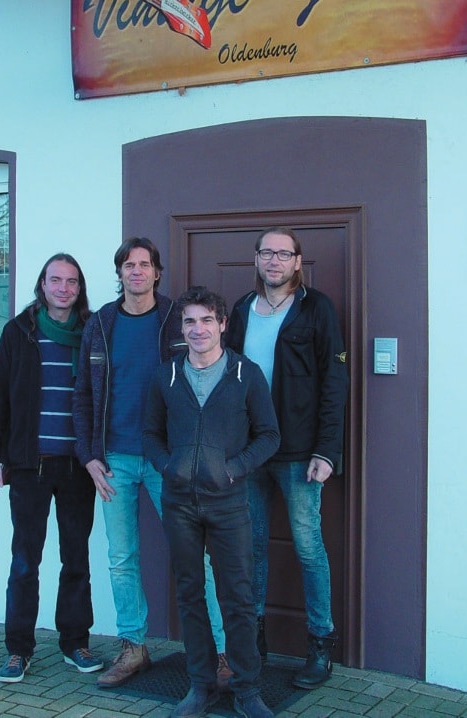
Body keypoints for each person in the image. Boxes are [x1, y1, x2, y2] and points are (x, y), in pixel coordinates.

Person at [73, 237, 232, 690]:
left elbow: (205, 378)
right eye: (128, 265)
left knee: (193, 557)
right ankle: (133, 647)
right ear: (119, 273)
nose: (136, 272)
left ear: (157, 273)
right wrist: (88, 456)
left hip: (169, 461)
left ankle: (219, 652)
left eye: (144, 264)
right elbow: (82, 393)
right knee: (121, 557)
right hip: (115, 460)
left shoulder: (175, 319)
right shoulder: (101, 323)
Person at [144, 286, 280, 718]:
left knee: (237, 599)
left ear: (223, 324)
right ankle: (200, 687)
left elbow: (269, 436)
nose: (198, 329)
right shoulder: (165, 376)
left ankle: (247, 691)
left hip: (229, 503)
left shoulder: (246, 375)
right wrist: (169, 467)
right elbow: (149, 434)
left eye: (207, 320)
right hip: (179, 504)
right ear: (181, 328)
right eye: (190, 321)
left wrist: (232, 469)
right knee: (189, 595)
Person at [226, 227, 349, 690]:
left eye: (283, 253)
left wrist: (327, 450)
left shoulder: (317, 309)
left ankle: (320, 645)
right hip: (249, 450)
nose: (274, 261)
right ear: (255, 259)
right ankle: (252, 642)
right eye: (266, 253)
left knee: (307, 547)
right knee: (251, 548)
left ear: (298, 261)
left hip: (300, 453)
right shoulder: (240, 309)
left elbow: (335, 383)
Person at [0, 254, 103, 684]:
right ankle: (18, 650)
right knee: (24, 561)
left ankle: (75, 642)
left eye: (72, 281)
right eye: (56, 280)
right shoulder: (19, 332)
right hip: (29, 466)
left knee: (76, 558)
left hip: (77, 467)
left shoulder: (93, 332)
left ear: (79, 287)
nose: (64, 288)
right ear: (43, 284)